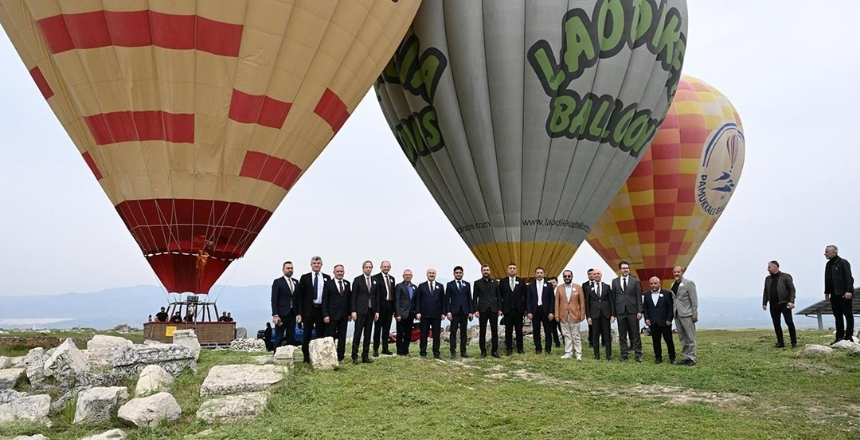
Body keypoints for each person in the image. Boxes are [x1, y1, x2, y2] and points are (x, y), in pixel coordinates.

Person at [297, 256, 331, 364]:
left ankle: (319, 356)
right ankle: (306, 357)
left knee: (321, 334)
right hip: (308, 310)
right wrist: (299, 313)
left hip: (321, 309)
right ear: (311, 265)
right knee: (306, 333)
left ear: (321, 265)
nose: (316, 265)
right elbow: (300, 297)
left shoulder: (327, 277)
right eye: (314, 263)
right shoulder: (305, 277)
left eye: (318, 263)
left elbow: (328, 296)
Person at [612, 261, 643, 362]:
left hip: (632, 311)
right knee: (622, 334)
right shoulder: (615, 281)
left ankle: (638, 354)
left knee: (635, 334)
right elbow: (613, 297)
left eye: (627, 268)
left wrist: (640, 311)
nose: (625, 270)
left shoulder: (635, 281)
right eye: (623, 268)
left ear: (629, 269)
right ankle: (624, 354)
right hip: (620, 311)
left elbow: (639, 297)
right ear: (620, 270)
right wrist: (614, 313)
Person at [762, 260, 797, 348]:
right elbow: (765, 291)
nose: (768, 269)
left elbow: (792, 289)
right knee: (776, 323)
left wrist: (791, 301)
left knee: (789, 322)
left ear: (775, 267)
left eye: (769, 267)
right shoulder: (768, 279)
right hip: (773, 305)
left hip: (784, 303)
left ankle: (794, 342)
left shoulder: (785, 276)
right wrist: (764, 303)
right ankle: (780, 342)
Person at [824, 245, 854, 344]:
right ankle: (839, 337)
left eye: (827, 252)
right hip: (834, 294)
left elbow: (849, 277)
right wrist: (827, 291)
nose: (825, 254)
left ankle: (849, 336)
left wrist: (848, 290)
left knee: (848, 314)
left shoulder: (843, 262)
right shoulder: (828, 264)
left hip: (844, 293)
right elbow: (827, 279)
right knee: (837, 315)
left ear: (834, 252)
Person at [351, 260, 379, 364]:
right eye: (366, 267)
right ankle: (354, 356)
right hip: (360, 311)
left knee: (367, 335)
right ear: (363, 268)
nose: (368, 269)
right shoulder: (358, 280)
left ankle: (365, 356)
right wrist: (353, 311)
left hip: (371, 311)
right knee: (357, 334)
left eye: (370, 267)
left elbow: (376, 296)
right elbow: (353, 296)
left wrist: (377, 311)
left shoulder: (375, 280)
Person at [322, 264, 352, 362]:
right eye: (338, 271)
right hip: (332, 315)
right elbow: (325, 300)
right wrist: (325, 314)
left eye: (341, 271)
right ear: (334, 272)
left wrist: (349, 313)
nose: (339, 273)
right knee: (331, 337)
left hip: (343, 315)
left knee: (342, 336)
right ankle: (330, 356)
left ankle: (340, 356)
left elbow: (349, 300)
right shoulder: (328, 284)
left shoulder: (347, 284)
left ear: (344, 272)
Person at [643, 277, 676, 364]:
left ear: (659, 284)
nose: (653, 285)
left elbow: (670, 307)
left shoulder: (667, 294)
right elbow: (645, 308)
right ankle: (658, 357)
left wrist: (669, 319)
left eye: (655, 283)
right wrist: (646, 318)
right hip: (653, 322)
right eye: (651, 284)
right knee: (656, 341)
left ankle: (672, 357)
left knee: (669, 340)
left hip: (665, 322)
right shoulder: (646, 295)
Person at [415, 268, 446, 359]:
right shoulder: (421, 286)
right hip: (424, 314)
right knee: (423, 334)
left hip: (437, 314)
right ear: (427, 274)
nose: (431, 274)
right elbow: (418, 301)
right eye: (430, 273)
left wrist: (443, 313)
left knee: (436, 334)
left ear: (435, 275)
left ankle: (436, 353)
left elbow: (443, 301)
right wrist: (418, 312)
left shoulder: (440, 286)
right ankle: (423, 352)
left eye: (433, 273)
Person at [555, 270, 585, 360]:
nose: (567, 278)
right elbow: (557, 302)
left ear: (572, 276)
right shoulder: (559, 288)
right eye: (565, 276)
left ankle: (578, 353)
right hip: (563, 314)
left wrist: (582, 314)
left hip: (575, 314)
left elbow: (582, 302)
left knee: (575, 335)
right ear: (563, 277)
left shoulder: (578, 287)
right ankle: (568, 353)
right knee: (566, 334)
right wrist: (557, 314)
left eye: (569, 276)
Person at [473, 264, 502, 358]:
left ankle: (494, 351)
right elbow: (474, 298)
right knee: (482, 331)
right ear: (481, 271)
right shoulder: (477, 283)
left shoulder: (495, 282)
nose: (486, 271)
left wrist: (500, 309)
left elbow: (498, 296)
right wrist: (475, 310)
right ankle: (483, 351)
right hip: (482, 310)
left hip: (493, 309)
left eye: (487, 270)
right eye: (484, 270)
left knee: (494, 331)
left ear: (490, 271)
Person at [671, 266, 698, 366]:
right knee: (682, 337)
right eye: (674, 272)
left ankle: (692, 357)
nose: (676, 273)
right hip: (677, 314)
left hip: (687, 314)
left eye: (678, 272)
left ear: (682, 272)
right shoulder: (673, 284)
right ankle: (685, 356)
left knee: (690, 336)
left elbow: (694, 300)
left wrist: (694, 314)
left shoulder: (689, 283)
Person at [585, 269, 614, 361]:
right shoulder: (588, 288)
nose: (596, 275)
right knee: (595, 335)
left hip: (606, 314)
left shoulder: (607, 287)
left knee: (607, 335)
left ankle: (608, 355)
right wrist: (588, 316)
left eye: (598, 274)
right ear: (592, 276)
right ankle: (596, 355)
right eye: (594, 274)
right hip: (594, 315)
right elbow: (587, 303)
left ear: (601, 275)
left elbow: (611, 302)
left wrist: (613, 315)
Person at [445, 266, 473, 359]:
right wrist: (448, 312)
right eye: (456, 273)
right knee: (453, 332)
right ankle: (453, 352)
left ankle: (463, 352)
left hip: (464, 311)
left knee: (463, 332)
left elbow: (469, 298)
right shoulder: (450, 285)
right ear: (454, 274)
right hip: (454, 312)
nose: (458, 274)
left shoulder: (467, 284)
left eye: (460, 273)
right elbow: (447, 299)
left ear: (462, 274)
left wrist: (470, 312)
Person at [527, 267, 555, 355]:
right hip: (535, 311)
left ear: (544, 274)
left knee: (548, 331)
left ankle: (548, 349)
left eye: (541, 272)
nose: (539, 274)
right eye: (538, 272)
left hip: (546, 311)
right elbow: (528, 299)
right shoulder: (531, 285)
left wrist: (551, 312)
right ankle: (538, 349)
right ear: (535, 274)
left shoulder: (549, 285)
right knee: (536, 330)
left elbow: (552, 300)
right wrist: (529, 312)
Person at [271, 261, 299, 349]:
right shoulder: (278, 282)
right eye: (288, 268)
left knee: (291, 336)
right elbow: (274, 299)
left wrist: (299, 313)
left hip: (292, 313)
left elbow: (298, 299)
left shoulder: (296, 282)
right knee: (279, 337)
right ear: (283, 270)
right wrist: (275, 315)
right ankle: (276, 356)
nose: (290, 270)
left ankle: (290, 355)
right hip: (281, 314)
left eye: (291, 268)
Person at [500, 263, 526, 355]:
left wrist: (525, 309)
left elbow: (525, 296)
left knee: (519, 330)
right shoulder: (503, 281)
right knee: (508, 330)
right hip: (507, 311)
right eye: (510, 268)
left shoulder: (521, 281)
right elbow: (500, 296)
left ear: (516, 270)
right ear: (507, 270)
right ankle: (509, 349)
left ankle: (520, 348)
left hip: (518, 311)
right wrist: (500, 309)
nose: (512, 270)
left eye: (514, 268)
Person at [372, 260, 397, 357]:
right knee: (378, 329)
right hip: (380, 306)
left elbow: (393, 294)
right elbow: (375, 295)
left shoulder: (392, 279)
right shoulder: (376, 278)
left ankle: (385, 348)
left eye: (388, 267)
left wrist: (394, 308)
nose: (386, 268)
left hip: (390, 305)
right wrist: (376, 309)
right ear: (381, 267)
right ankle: (375, 349)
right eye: (384, 266)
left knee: (387, 329)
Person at [394, 269, 417, 356]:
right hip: (401, 314)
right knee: (400, 333)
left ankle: (406, 351)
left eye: (409, 275)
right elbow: (397, 300)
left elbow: (415, 301)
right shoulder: (399, 286)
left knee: (408, 334)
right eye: (406, 275)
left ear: (411, 276)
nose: (408, 276)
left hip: (410, 314)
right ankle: (399, 351)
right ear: (403, 276)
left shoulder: (414, 287)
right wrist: (398, 313)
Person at [548, 276, 562, 348]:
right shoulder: (547, 291)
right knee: (553, 329)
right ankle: (557, 343)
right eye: (550, 283)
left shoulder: (560, 290)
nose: (552, 284)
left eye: (553, 282)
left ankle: (565, 342)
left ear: (557, 282)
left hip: (559, 313)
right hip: (551, 313)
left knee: (562, 328)